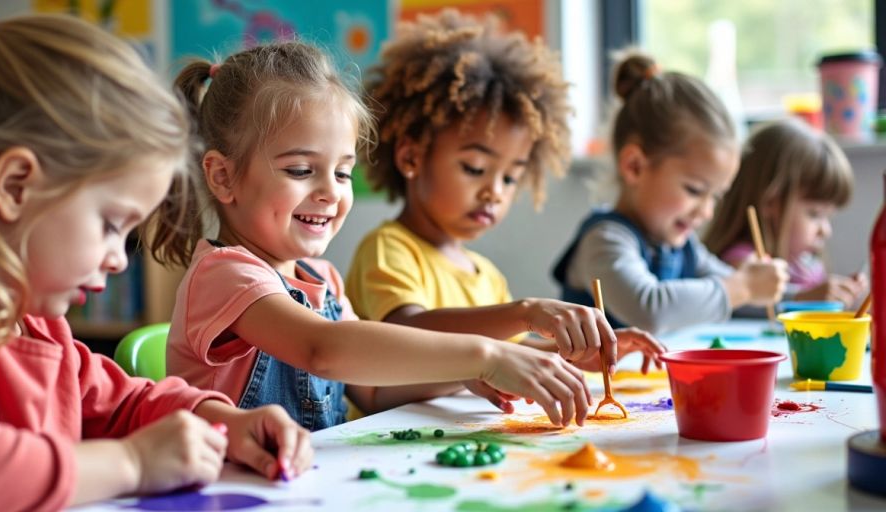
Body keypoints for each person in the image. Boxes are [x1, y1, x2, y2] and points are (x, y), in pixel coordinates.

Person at [0, 3, 309, 510]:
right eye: (111, 226)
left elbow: (124, 402)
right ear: (15, 187)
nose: (120, 259)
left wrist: (223, 420)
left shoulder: (35, 324)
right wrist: (133, 464)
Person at [158, 41, 600, 433]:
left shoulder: (323, 280)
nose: (331, 191)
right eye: (300, 170)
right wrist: (485, 356)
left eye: (343, 172)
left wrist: (469, 373)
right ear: (222, 176)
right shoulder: (223, 274)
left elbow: (370, 390)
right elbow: (323, 349)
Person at [345, 9, 664, 382]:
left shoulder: (487, 276)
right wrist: (524, 312)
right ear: (411, 157)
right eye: (475, 169)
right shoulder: (388, 250)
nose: (494, 192)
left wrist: (575, 354)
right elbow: (408, 335)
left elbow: (504, 354)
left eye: (511, 178)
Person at [551, 51, 789, 334]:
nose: (706, 211)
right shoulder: (605, 241)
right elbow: (650, 310)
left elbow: (742, 297)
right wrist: (745, 286)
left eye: (715, 196)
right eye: (694, 190)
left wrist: (799, 297)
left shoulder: (682, 247)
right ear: (635, 166)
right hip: (594, 379)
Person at [705, 118, 865, 308]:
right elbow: (741, 303)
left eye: (827, 217)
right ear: (771, 203)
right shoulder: (742, 262)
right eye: (814, 214)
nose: (825, 230)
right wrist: (802, 299)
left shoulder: (807, 267)